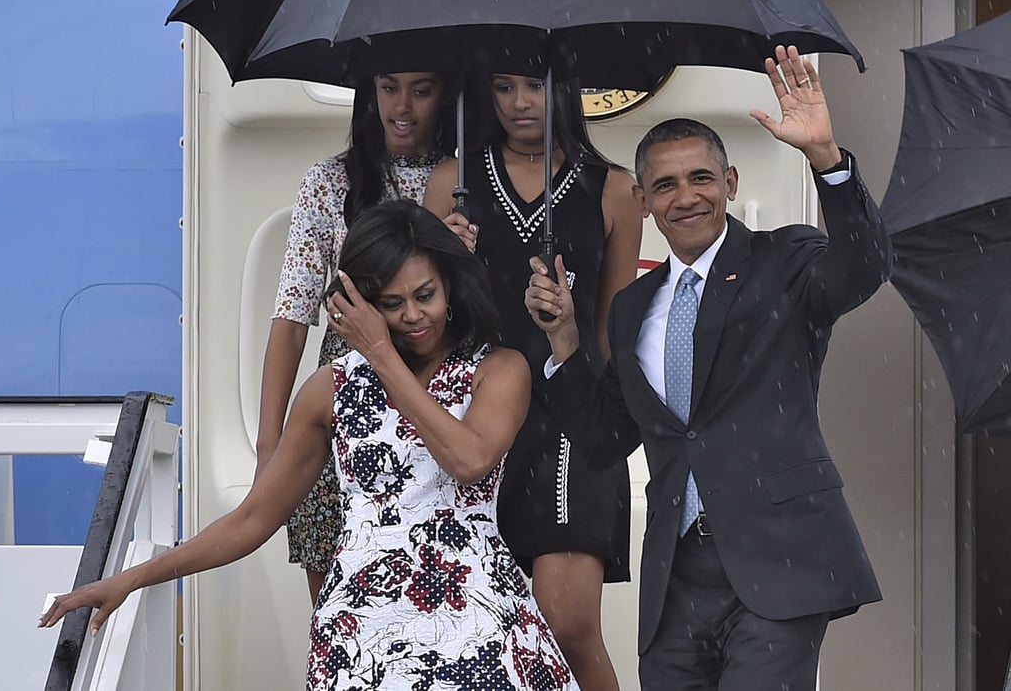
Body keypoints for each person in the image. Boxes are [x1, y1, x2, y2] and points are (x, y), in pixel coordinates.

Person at [41, 200, 581, 691]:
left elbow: (469, 460)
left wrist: (381, 355)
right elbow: (254, 519)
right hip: (361, 630)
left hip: (476, 621)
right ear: (359, 301)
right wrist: (131, 579)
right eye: (391, 303)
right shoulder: (330, 389)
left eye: (426, 295)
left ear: (450, 286)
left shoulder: (499, 367)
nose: (414, 316)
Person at [524, 45, 893, 691]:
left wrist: (826, 161)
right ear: (642, 200)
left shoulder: (785, 260)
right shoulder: (632, 307)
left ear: (730, 184)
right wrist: (563, 345)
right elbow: (608, 436)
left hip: (778, 558)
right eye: (664, 184)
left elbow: (862, 268)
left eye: (700, 178)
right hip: (676, 579)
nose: (685, 196)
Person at [424, 72, 643, 690]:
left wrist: (611, 425)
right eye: (502, 86)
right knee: (467, 628)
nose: (520, 102)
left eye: (536, 86)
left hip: (572, 416)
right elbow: (417, 317)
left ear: (567, 89)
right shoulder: (450, 182)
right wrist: (445, 257)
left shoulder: (616, 188)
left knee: (568, 622)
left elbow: (612, 330)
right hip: (475, 415)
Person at [258, 71, 456, 604]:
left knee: (437, 598)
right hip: (345, 398)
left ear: (448, 95)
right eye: (388, 87)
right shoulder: (329, 181)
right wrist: (268, 447)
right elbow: (292, 315)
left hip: (439, 393)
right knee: (337, 607)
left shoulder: (469, 180)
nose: (403, 105)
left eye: (423, 88)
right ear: (369, 95)